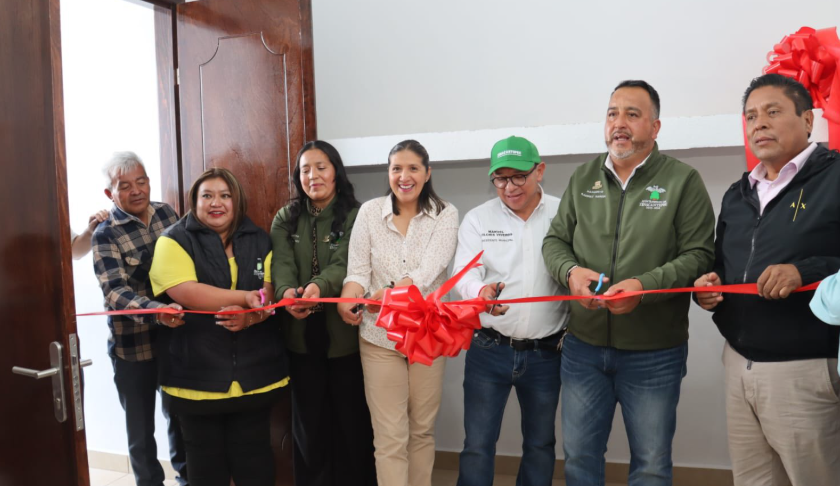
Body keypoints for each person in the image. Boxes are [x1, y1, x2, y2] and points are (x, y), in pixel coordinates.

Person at [542, 80, 715, 486]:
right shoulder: (584, 176)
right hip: (583, 349)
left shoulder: (682, 181)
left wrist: (644, 286)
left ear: (655, 128)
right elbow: (554, 242)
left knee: (651, 465)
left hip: (654, 353)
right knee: (581, 460)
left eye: (632, 115)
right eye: (612, 113)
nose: (619, 123)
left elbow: (699, 255)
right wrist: (571, 272)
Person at [695, 73, 840, 485]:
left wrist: (804, 272)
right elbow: (723, 265)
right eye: (751, 116)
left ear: (808, 120)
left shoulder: (834, 178)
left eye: (773, 112)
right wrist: (710, 285)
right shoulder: (738, 193)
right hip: (738, 362)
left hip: (805, 369)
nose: (759, 123)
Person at [149, 167, 288, 486]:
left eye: (225, 196)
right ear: (193, 202)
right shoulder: (172, 241)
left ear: (237, 201)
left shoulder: (260, 239)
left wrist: (251, 315)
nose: (217, 203)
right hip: (196, 378)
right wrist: (245, 297)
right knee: (204, 468)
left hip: (255, 376)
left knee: (255, 464)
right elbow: (186, 291)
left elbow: (268, 294)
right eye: (207, 196)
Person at [337, 140, 459, 486]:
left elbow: (429, 271)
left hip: (427, 338)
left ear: (427, 173)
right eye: (396, 169)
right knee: (389, 436)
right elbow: (357, 271)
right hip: (379, 336)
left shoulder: (446, 213)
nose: (404, 176)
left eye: (413, 168)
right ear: (388, 173)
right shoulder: (369, 213)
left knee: (421, 431)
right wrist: (349, 298)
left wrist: (390, 292)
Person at [452, 135, 569, 486]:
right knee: (477, 445)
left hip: (548, 353)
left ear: (540, 171)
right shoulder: (478, 219)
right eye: (500, 178)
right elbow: (464, 275)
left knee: (540, 444)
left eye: (518, 176)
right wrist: (480, 291)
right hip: (489, 349)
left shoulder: (564, 213)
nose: (509, 186)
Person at [270, 140, 376, 486]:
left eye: (321, 167)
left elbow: (345, 262)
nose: (313, 176)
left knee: (351, 427)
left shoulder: (357, 215)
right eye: (305, 169)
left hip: (345, 341)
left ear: (336, 172)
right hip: (301, 342)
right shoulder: (286, 218)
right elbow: (281, 265)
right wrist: (288, 294)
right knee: (308, 429)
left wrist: (316, 288)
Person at [91, 151, 188, 486]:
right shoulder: (105, 233)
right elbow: (115, 292)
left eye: (141, 181)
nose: (136, 190)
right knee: (140, 431)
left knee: (180, 418)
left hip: (176, 340)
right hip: (133, 349)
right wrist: (156, 311)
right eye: (125, 185)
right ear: (110, 194)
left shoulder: (167, 213)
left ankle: (186, 479)